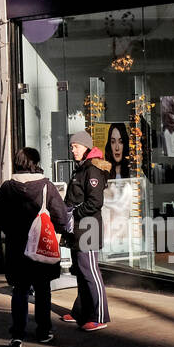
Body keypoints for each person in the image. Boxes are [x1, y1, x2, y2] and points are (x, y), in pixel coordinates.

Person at [0, 147, 71, 347]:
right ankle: (44, 332)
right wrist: (57, 233)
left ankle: (17, 334)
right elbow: (61, 216)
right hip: (41, 246)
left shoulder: (8, 187)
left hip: (17, 247)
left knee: (20, 290)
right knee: (43, 290)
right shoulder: (46, 187)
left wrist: (12, 229)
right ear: (35, 162)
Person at [62, 130, 110, 331]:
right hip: (78, 229)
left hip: (88, 228)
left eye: (76, 146)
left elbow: (95, 202)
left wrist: (74, 213)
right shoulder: (81, 168)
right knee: (81, 272)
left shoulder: (92, 170)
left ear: (86, 147)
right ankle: (80, 311)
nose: (73, 150)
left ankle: (100, 315)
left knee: (91, 272)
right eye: (72, 146)